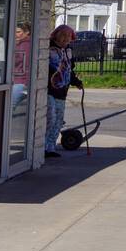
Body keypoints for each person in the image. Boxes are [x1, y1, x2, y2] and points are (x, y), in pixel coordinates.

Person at [46, 25, 82, 159]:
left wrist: (76, 82)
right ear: (56, 35)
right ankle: (42, 146)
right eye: (62, 36)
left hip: (62, 91)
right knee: (51, 117)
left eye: (68, 37)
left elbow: (69, 70)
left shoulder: (68, 51)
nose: (65, 39)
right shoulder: (48, 48)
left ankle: (50, 147)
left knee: (58, 121)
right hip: (49, 89)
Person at [11, 22, 32, 111]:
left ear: (27, 32)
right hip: (20, 80)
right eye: (15, 32)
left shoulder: (25, 45)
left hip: (21, 81)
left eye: (19, 32)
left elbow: (24, 62)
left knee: (9, 107)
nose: (16, 34)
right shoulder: (21, 43)